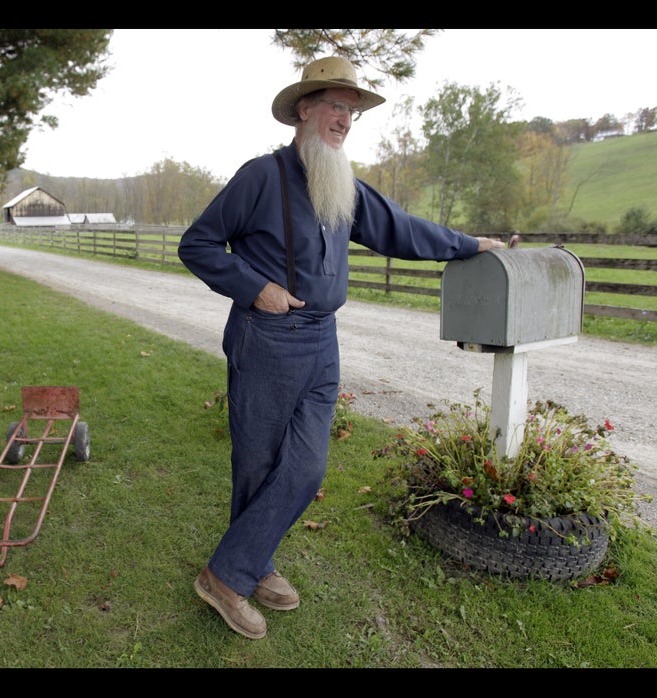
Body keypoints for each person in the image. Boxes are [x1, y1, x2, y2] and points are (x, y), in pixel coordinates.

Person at [178, 56, 504, 640]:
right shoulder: (261, 176)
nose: (346, 120)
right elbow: (197, 244)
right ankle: (245, 572)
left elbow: (400, 228)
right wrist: (256, 289)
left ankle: (233, 569)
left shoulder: (341, 184)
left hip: (323, 341)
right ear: (304, 109)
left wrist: (467, 244)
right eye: (336, 105)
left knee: (306, 466)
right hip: (268, 337)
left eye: (352, 111)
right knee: (258, 465)